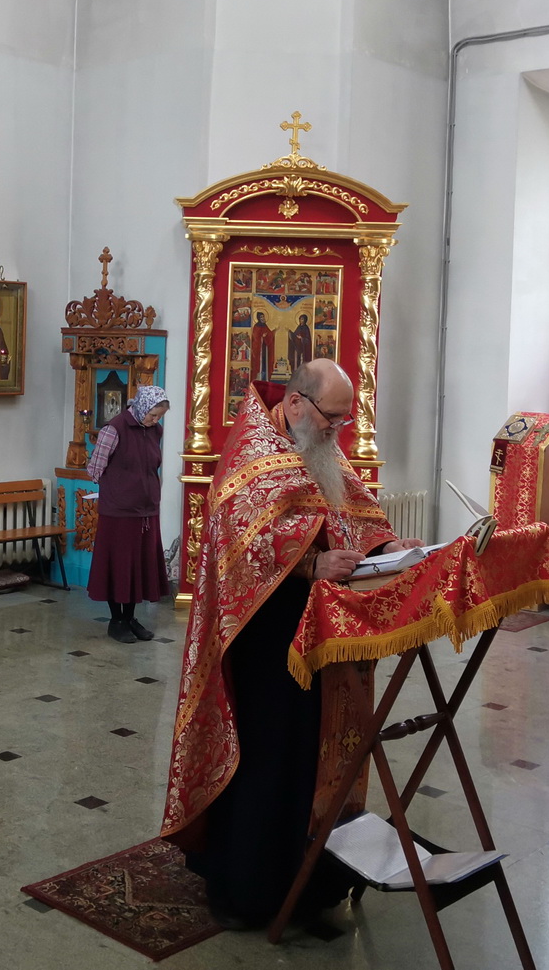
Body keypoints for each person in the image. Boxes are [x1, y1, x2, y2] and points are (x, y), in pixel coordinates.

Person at [159, 359, 424, 929]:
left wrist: (387, 547)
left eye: (345, 421)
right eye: (333, 418)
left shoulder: (317, 443)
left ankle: (309, 883)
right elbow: (239, 540)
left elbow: (354, 510)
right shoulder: (252, 451)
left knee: (313, 757)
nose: (338, 432)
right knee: (268, 758)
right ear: (298, 402)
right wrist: (309, 565)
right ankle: (248, 890)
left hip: (320, 639)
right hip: (263, 639)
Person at [86, 385, 171, 643]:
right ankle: (117, 621)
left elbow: (152, 466)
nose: (155, 421)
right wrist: (120, 488)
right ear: (142, 407)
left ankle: (130, 618)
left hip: (146, 509)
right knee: (118, 566)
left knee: (137, 566)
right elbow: (94, 468)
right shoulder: (114, 429)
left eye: (159, 417)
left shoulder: (154, 430)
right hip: (119, 511)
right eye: (153, 415)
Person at [250, 311, 273, 381]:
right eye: (261, 317)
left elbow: (269, 334)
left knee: (265, 364)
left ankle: (264, 378)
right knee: (259, 364)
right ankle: (258, 379)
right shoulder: (256, 327)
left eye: (263, 316)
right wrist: (262, 337)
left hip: (265, 349)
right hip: (259, 349)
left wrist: (272, 333)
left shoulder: (265, 325)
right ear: (258, 318)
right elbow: (255, 337)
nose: (263, 318)